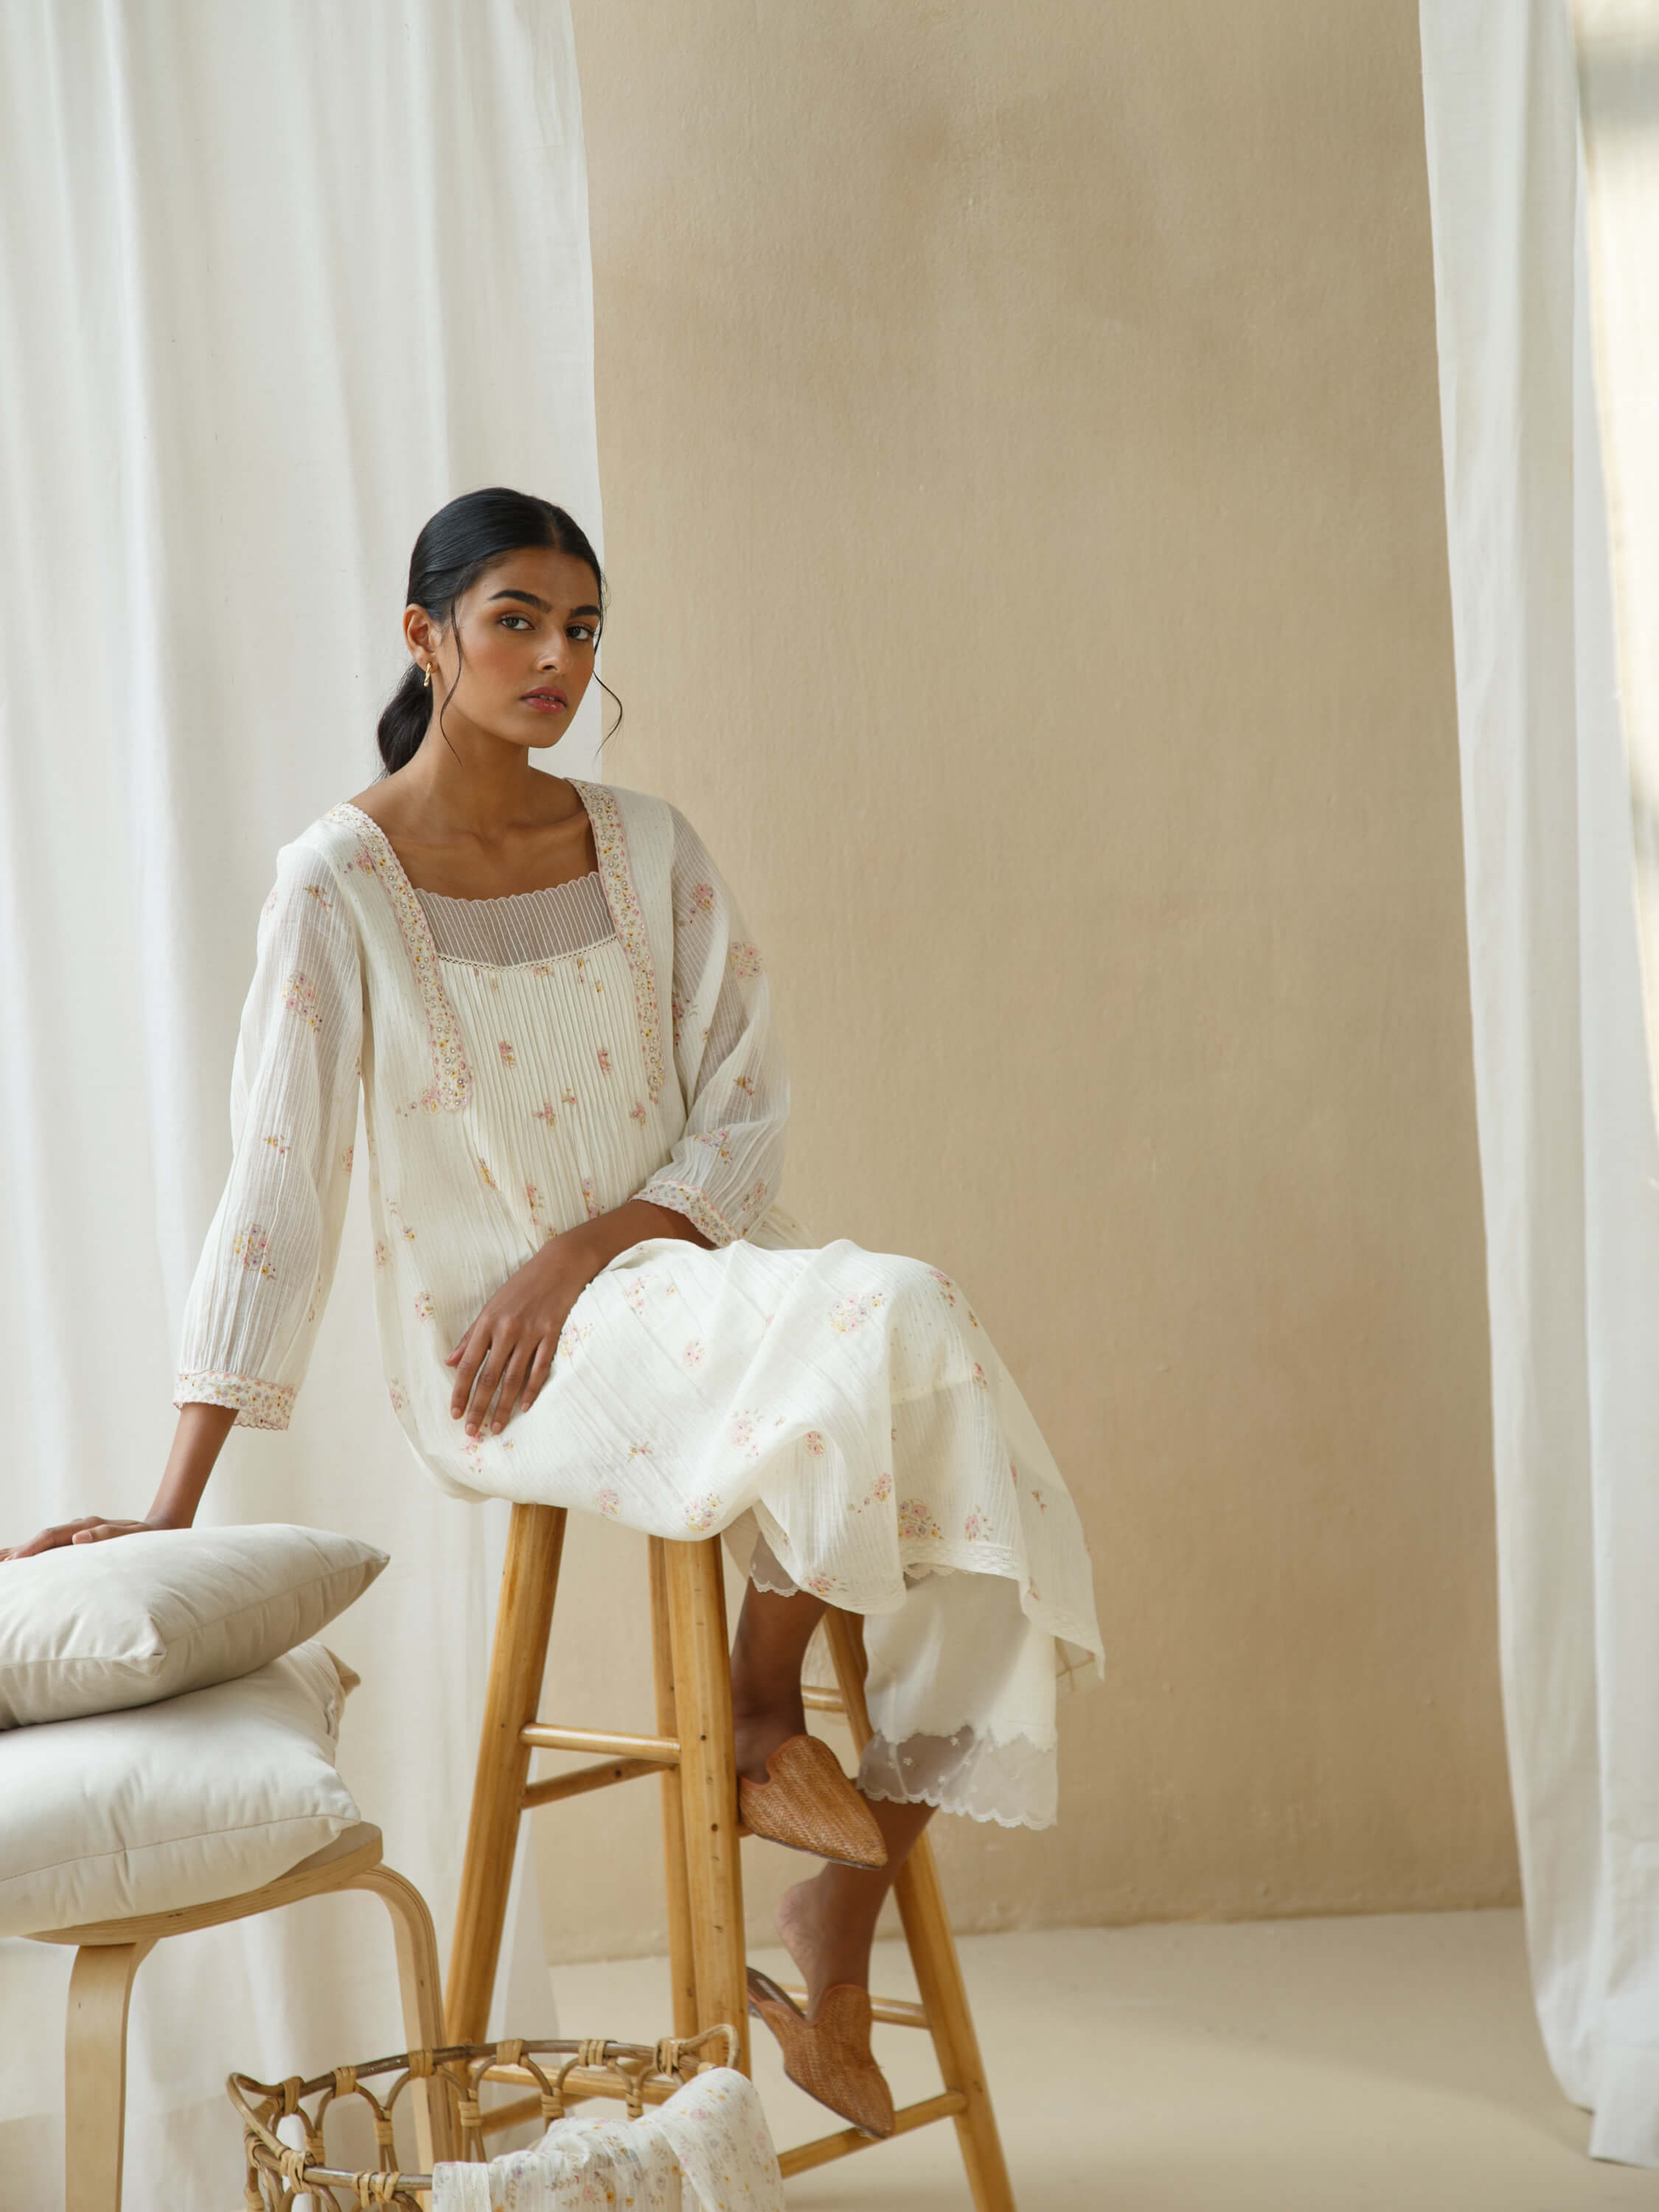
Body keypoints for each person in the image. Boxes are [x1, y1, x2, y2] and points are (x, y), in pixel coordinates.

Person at [0, 487, 1102, 2139]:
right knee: (899, 1336)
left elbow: (746, 1116)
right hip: (499, 1362)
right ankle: (754, 1726)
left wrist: (588, 1248)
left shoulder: (648, 846)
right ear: (425, 636)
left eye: (582, 629)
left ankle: (814, 1866)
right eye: (517, 618)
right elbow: (276, 1191)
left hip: (678, 1287)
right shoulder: (340, 882)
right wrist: (169, 1508)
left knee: (943, 1398)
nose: (557, 659)